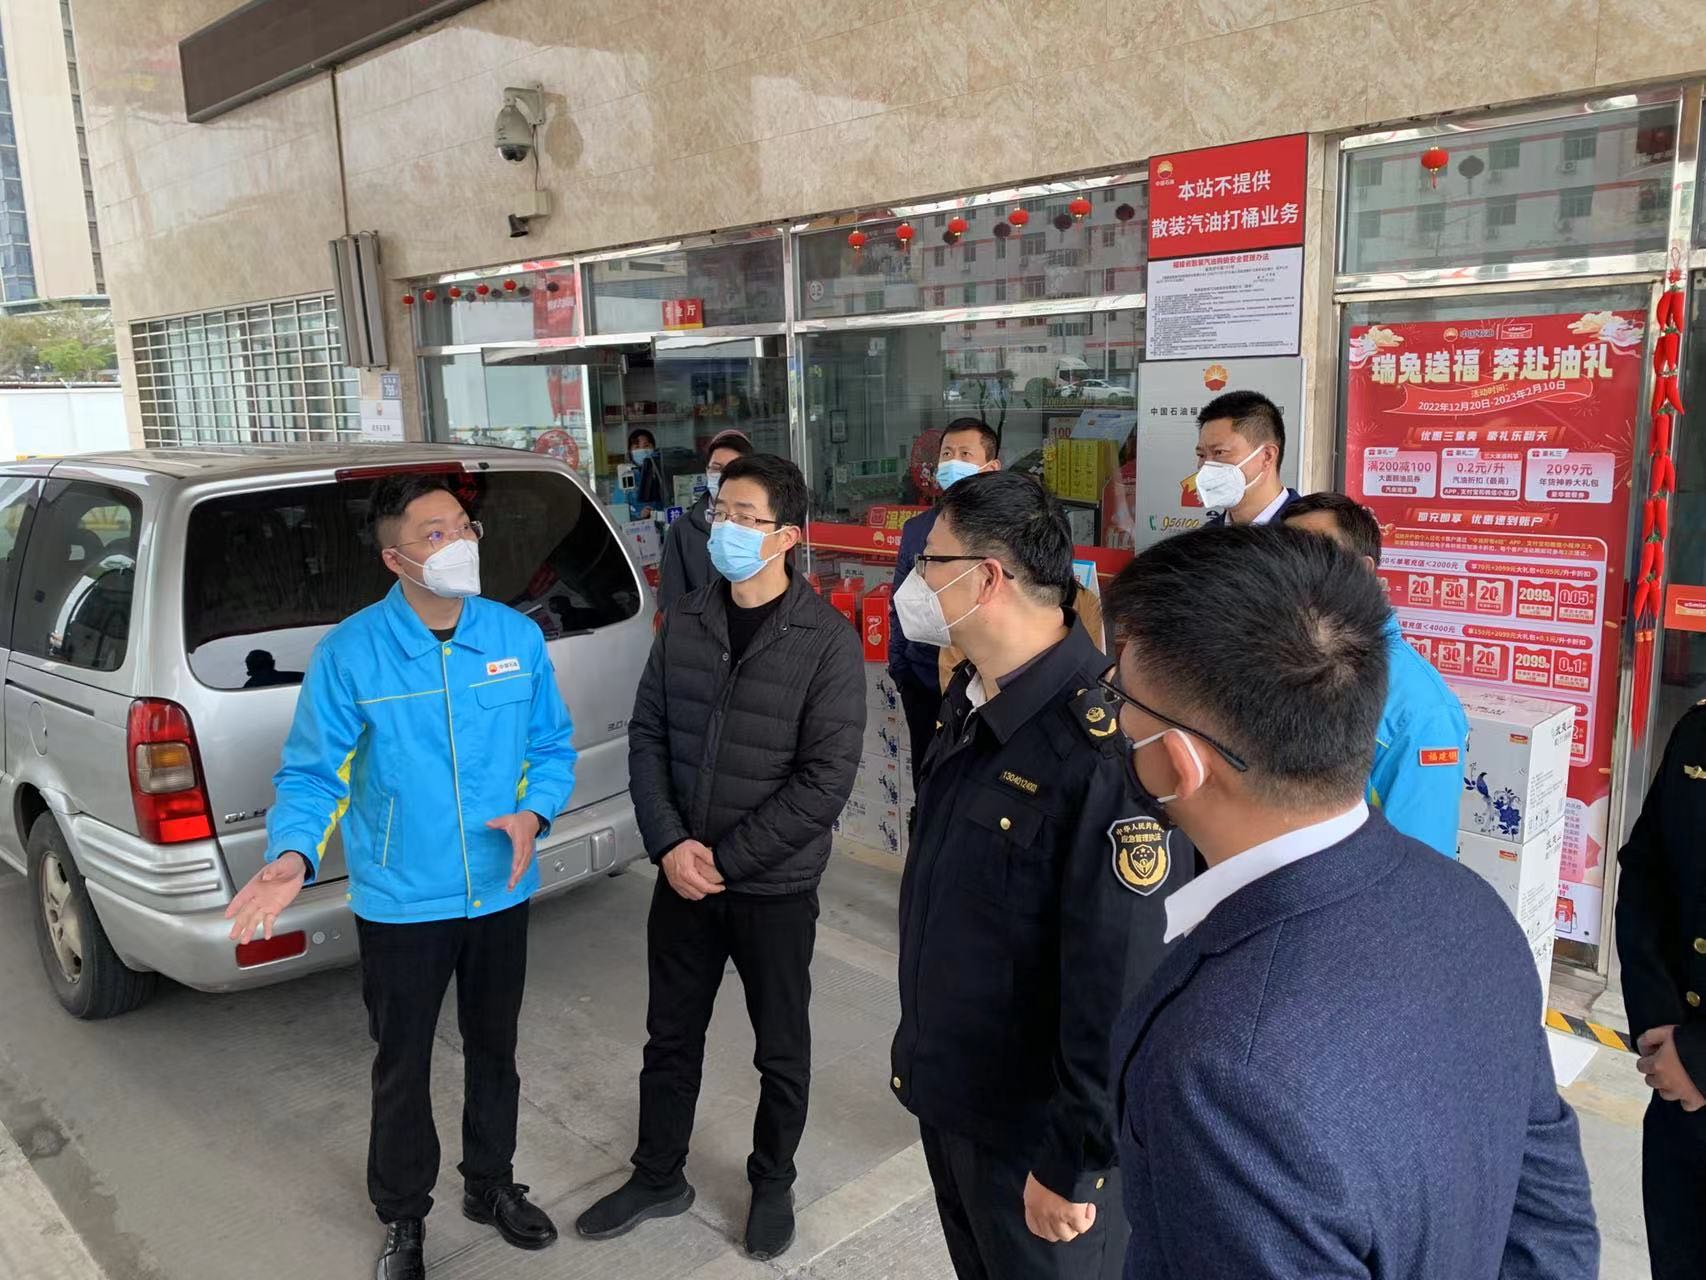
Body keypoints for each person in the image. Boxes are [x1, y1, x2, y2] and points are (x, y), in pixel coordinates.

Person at [1102, 524, 1598, 1280]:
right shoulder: (1471, 908)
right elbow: (1551, 1223)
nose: (1112, 718)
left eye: (1121, 698)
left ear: (1181, 762)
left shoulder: (1225, 1066)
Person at [225, 473, 578, 1280]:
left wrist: (536, 813)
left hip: (500, 886)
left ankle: (490, 1183)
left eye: (464, 527)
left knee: (496, 1048)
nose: (459, 544)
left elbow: (550, 748)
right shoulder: (351, 653)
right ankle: (404, 1215)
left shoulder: (513, 639)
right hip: (402, 899)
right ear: (396, 558)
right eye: (435, 534)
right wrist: (291, 855)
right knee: (403, 1062)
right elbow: (313, 774)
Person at [890, 471, 1184, 1280]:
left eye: (929, 561)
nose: (915, 581)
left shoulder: (1104, 750)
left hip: (1037, 1148)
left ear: (986, 578)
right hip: (957, 1102)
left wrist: (1076, 1163)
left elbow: (1119, 988)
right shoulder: (970, 698)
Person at [576, 453, 865, 1261]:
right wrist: (670, 844)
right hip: (682, 880)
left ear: (787, 538)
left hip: (772, 887)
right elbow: (647, 735)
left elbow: (825, 782)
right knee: (669, 1036)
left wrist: (726, 861)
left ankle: (772, 1183)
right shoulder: (688, 620)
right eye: (719, 511)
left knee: (781, 1049)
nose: (724, 528)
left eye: (744, 516)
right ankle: (657, 1175)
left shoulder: (827, 643)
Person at [1282, 490, 1467, 857]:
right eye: (1285, 555)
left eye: (1316, 553)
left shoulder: (1422, 712)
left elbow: (1419, 864)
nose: (1296, 570)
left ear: (1363, 570)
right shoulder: (1282, 665)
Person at [1615, 698, 1706, 1280]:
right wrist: (1659, 1030)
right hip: (1679, 1106)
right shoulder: (1697, 733)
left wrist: (1700, 1059)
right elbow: (1644, 876)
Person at [889, 417, 1001, 789]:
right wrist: (901, 668)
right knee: (928, 782)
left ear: (991, 467)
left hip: (989, 683)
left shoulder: (1009, 530)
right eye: (947, 454)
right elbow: (900, 603)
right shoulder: (918, 530)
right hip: (923, 681)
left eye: (965, 454)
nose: (953, 462)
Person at [656, 428, 752, 612]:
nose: (723, 475)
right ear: (707, 471)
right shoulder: (682, 529)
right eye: (716, 468)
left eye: (732, 468)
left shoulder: (763, 525)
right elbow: (670, 600)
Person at [1194, 390, 1299, 526]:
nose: (1206, 467)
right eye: (1201, 455)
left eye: (1219, 452)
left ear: (1267, 456)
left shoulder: (1310, 532)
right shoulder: (1205, 535)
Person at [627, 427, 669, 513]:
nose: (642, 450)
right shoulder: (626, 475)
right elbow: (619, 508)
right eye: (637, 447)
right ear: (630, 452)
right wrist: (638, 515)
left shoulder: (662, 472)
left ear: (654, 448)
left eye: (646, 446)